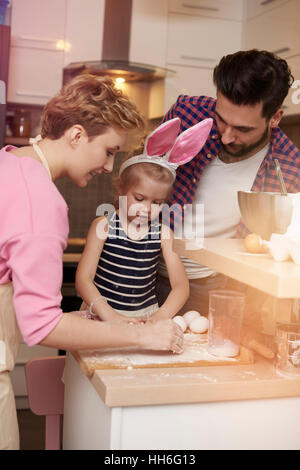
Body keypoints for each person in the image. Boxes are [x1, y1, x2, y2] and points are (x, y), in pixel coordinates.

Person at [0, 75, 184, 450]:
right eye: (110, 150)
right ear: (77, 135)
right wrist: (142, 333)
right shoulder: (42, 202)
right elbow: (42, 327)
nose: (109, 165)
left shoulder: (10, 162)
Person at [156, 49, 300, 358]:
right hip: (145, 268)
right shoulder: (187, 115)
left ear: (275, 117)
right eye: (221, 120)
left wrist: (244, 322)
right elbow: (140, 176)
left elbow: (267, 252)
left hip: (210, 288)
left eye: (244, 129)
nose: (226, 136)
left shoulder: (288, 168)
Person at [75, 117, 212, 324]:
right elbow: (83, 280)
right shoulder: (103, 226)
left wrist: (159, 318)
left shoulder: (163, 234)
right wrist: (110, 316)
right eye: (139, 198)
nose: (146, 209)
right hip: (101, 316)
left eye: (157, 202)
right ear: (121, 188)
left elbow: (181, 286)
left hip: (144, 317)